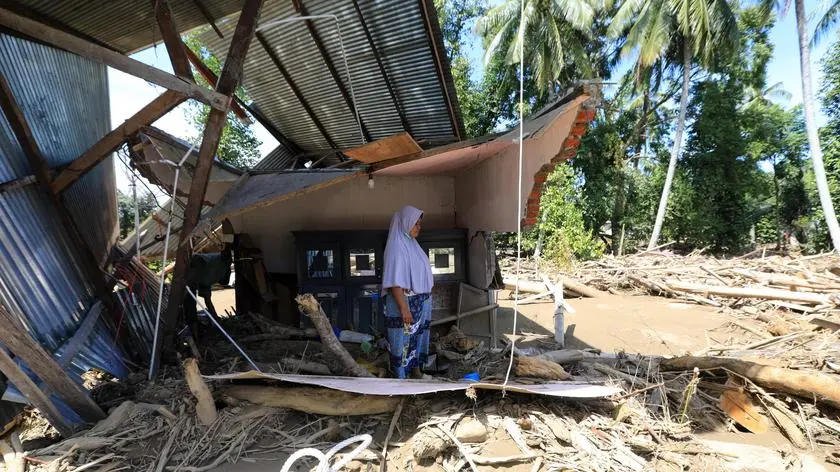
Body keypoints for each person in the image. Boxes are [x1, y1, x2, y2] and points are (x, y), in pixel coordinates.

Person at [382, 206, 434, 379]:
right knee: (401, 343)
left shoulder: (411, 243)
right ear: (405, 224)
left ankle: (416, 370)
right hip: (405, 304)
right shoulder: (397, 248)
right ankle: (401, 379)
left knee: (416, 339)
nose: (419, 227)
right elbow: (395, 283)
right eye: (415, 224)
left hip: (419, 301)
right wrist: (404, 310)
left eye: (420, 224)